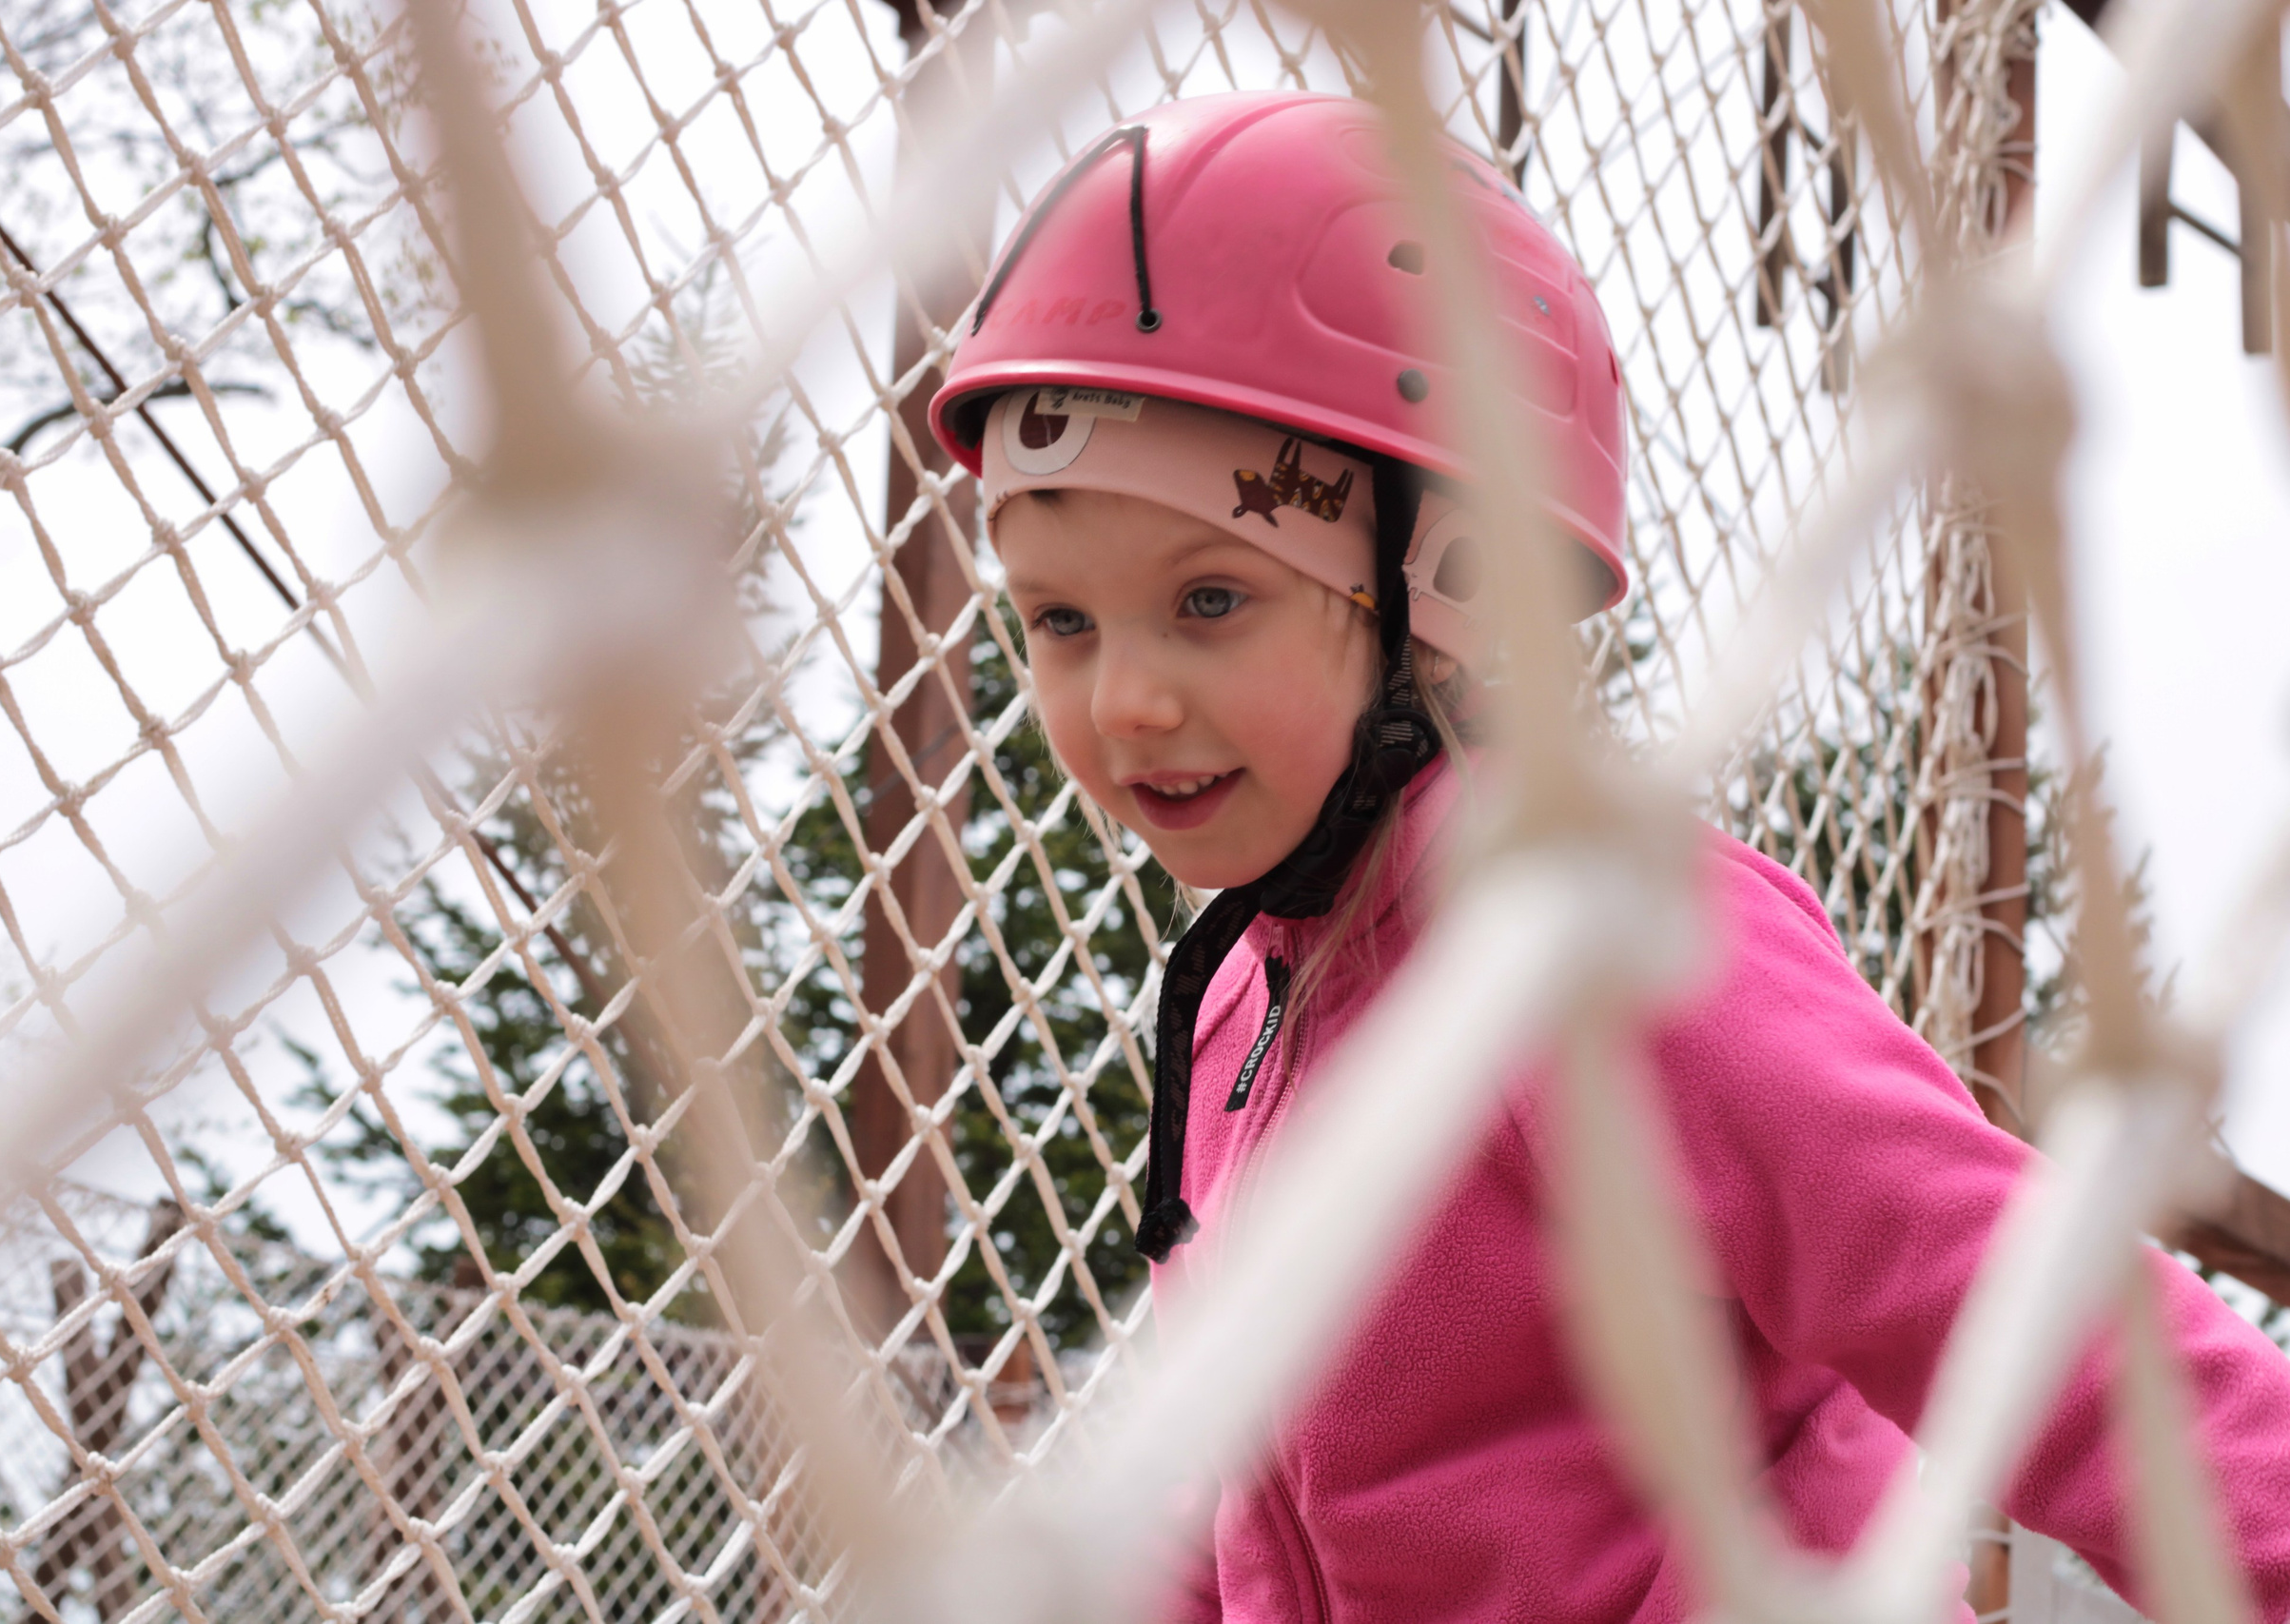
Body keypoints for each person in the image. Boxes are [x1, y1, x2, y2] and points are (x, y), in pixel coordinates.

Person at [928, 89, 2290, 1624]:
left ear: (1449, 582)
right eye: (1061, 621)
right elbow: (1250, 1481)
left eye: (1211, 602)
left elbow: (2019, 1297)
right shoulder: (1243, 1007)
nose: (1124, 700)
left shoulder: (1602, 942)